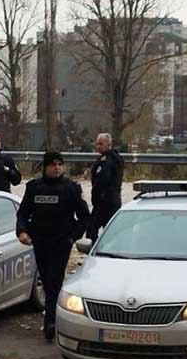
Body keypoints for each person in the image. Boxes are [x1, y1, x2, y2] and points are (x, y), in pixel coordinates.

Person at [16, 151, 90, 341]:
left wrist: (72, 237)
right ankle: (54, 315)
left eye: (59, 164)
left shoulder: (71, 188)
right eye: (53, 164)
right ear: (45, 167)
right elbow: (23, 213)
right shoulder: (34, 187)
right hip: (40, 241)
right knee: (47, 281)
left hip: (61, 242)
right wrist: (22, 231)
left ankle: (50, 322)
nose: (57, 168)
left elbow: (84, 217)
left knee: (54, 280)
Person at [87, 133, 124, 243]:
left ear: (109, 144)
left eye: (101, 144)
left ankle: (97, 250)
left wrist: (98, 196)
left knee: (92, 231)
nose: (98, 146)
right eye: (97, 144)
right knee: (109, 232)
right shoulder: (111, 158)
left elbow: (102, 180)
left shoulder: (108, 160)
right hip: (109, 201)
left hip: (105, 203)